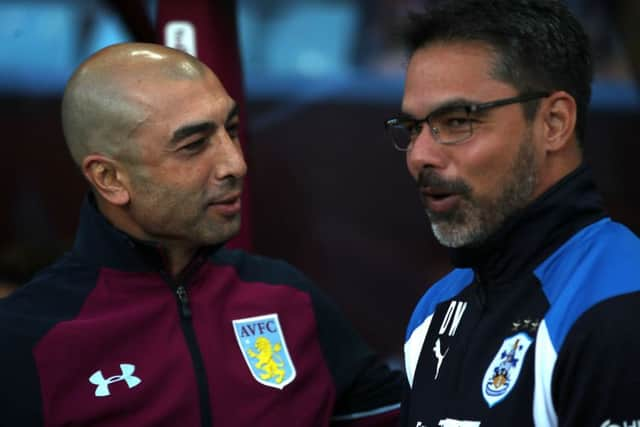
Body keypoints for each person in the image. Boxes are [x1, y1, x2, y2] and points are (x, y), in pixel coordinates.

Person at [0, 42, 402, 427]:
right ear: (110, 178)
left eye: (231, 129)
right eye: (194, 145)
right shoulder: (27, 340)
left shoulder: (288, 298)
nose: (235, 164)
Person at [385, 0, 640, 426]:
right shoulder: (435, 311)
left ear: (554, 123)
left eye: (457, 121)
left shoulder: (617, 307)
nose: (419, 156)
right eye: (413, 129)